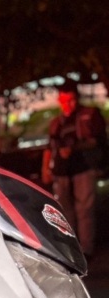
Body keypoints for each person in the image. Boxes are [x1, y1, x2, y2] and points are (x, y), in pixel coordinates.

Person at [42, 79, 107, 258]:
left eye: (70, 100)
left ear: (76, 98)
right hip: (62, 173)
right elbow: (50, 147)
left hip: (84, 169)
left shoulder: (89, 115)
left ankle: (85, 250)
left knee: (84, 211)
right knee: (64, 213)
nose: (67, 105)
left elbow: (99, 141)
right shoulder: (57, 122)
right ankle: (70, 249)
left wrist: (75, 148)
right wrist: (46, 170)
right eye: (63, 101)